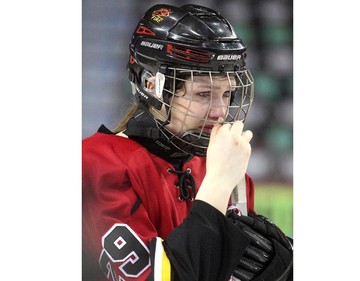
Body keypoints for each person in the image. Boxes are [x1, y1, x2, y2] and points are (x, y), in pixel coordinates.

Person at [82, 3, 293, 281]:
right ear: (151, 86)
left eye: (227, 94)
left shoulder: (223, 168)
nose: (219, 111)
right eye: (204, 94)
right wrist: (217, 185)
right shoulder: (97, 163)